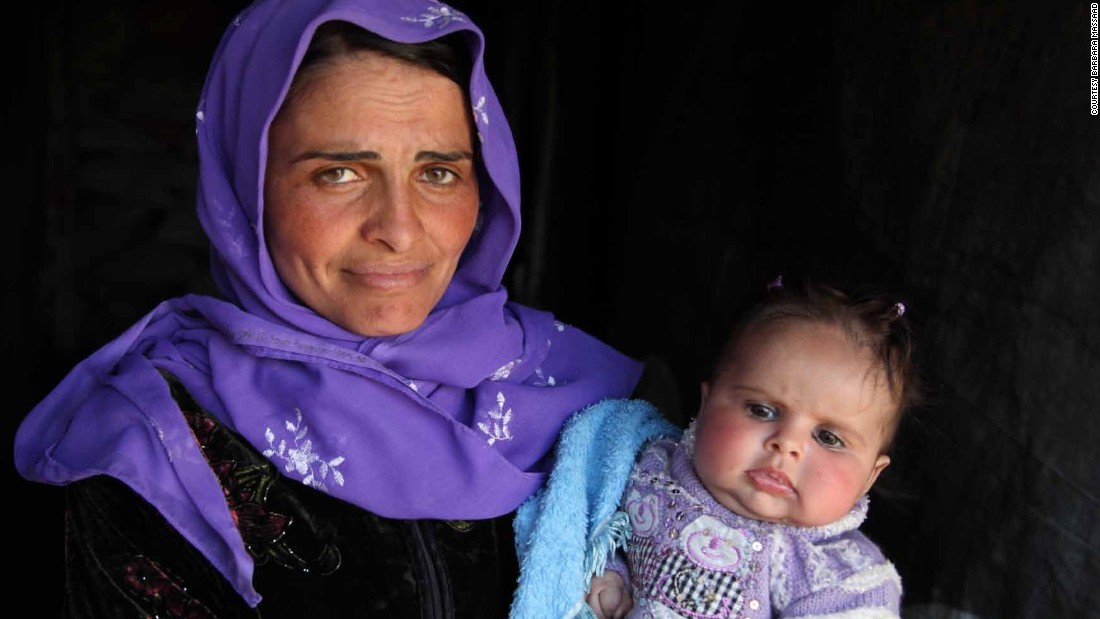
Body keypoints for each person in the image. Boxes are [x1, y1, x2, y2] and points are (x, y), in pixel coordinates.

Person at [13, 1, 644, 617]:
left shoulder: (590, 408)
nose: (398, 229)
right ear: (245, 191)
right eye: (339, 173)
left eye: (439, 173)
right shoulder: (153, 454)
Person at [585, 278, 923, 618]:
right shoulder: (651, 469)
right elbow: (600, 530)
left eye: (829, 438)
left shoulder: (839, 579)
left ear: (869, 477)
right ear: (705, 406)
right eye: (762, 411)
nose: (787, 444)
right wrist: (612, 575)